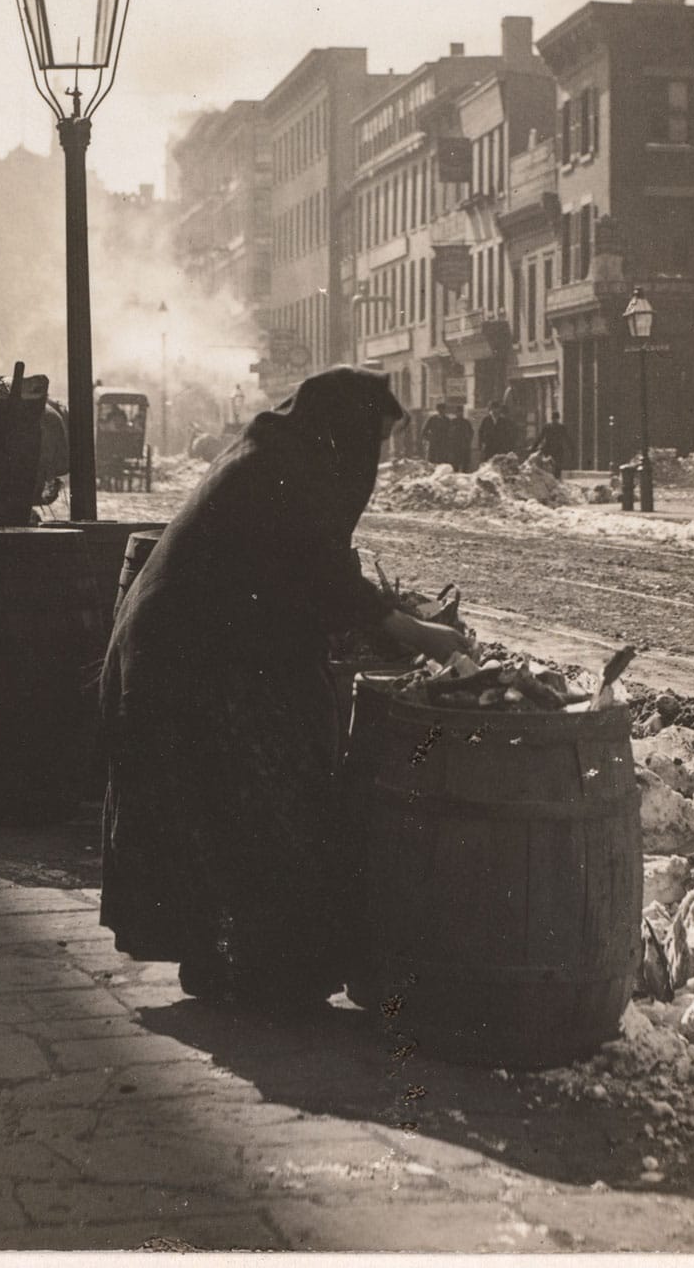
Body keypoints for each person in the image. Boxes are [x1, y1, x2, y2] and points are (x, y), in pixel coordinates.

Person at [98, 366, 469, 1015]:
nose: (374, 459)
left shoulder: (282, 454)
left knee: (239, 794)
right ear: (343, 429)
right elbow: (322, 572)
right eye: (372, 440)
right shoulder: (282, 472)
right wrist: (416, 631)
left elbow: (309, 564)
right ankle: (255, 963)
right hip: (188, 654)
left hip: (197, 643)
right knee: (261, 787)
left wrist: (385, 613)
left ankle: (237, 958)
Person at [531, 412, 576, 478]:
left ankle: (550, 479)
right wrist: (572, 448)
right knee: (557, 468)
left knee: (548, 467)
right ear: (558, 418)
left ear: (551, 418)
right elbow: (567, 439)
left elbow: (540, 437)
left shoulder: (547, 426)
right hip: (558, 450)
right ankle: (556, 481)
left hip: (548, 450)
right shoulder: (561, 427)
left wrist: (533, 447)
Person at [446, 402, 474, 474]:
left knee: (465, 466)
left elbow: (471, 432)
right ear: (456, 413)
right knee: (455, 465)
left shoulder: (466, 422)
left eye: (461, 412)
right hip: (454, 447)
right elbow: (448, 434)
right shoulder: (452, 422)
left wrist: (468, 441)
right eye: (458, 412)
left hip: (464, 446)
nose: (459, 413)